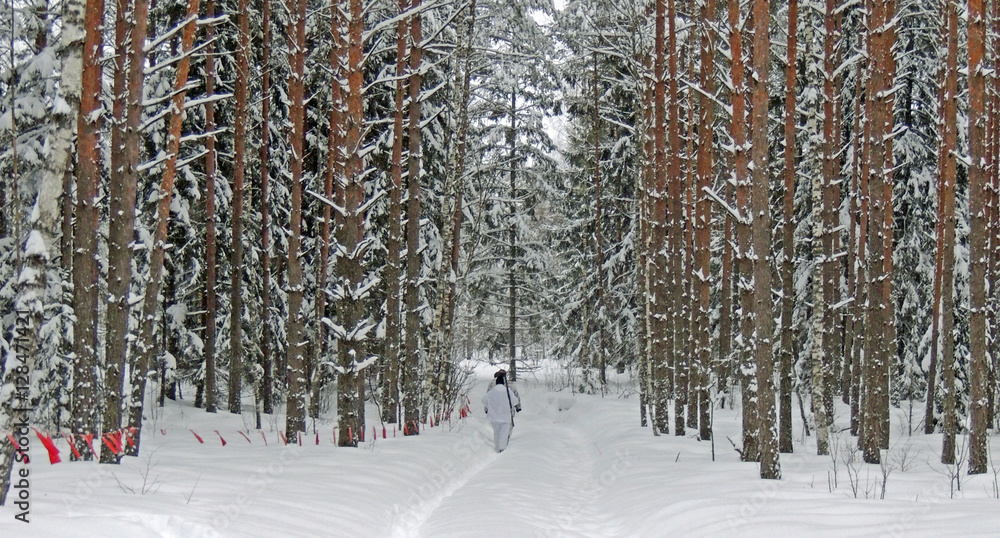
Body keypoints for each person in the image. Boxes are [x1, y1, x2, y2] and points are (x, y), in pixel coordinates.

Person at [482, 369, 520, 453]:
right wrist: (517, 407)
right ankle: (502, 447)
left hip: (494, 415)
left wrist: (488, 408)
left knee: (496, 431)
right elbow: (515, 399)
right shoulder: (509, 387)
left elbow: (484, 400)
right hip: (506, 414)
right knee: (504, 431)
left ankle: (497, 446)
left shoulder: (491, 387)